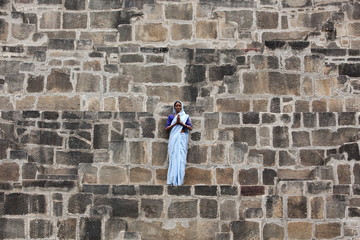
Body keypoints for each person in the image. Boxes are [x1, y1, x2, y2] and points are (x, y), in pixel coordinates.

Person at [165, 100, 193, 186]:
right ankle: (173, 179)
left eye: (179, 106)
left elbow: (190, 128)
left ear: (182, 107)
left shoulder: (185, 116)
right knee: (174, 157)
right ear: (174, 107)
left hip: (182, 137)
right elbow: (166, 128)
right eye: (176, 106)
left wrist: (181, 123)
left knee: (181, 158)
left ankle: (180, 180)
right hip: (174, 138)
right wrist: (175, 123)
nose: (178, 107)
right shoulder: (171, 117)